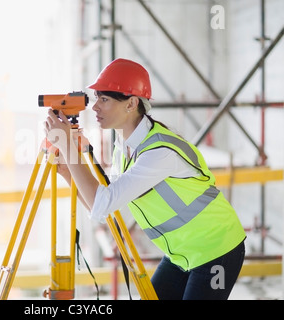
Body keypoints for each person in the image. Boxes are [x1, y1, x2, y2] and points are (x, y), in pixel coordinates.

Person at [44, 58, 246, 300]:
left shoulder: (158, 153)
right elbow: (105, 208)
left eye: (104, 99)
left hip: (216, 250)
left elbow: (102, 203)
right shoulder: (124, 147)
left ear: (131, 103)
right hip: (181, 253)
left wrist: (68, 147)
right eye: (96, 98)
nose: (95, 107)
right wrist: (68, 172)